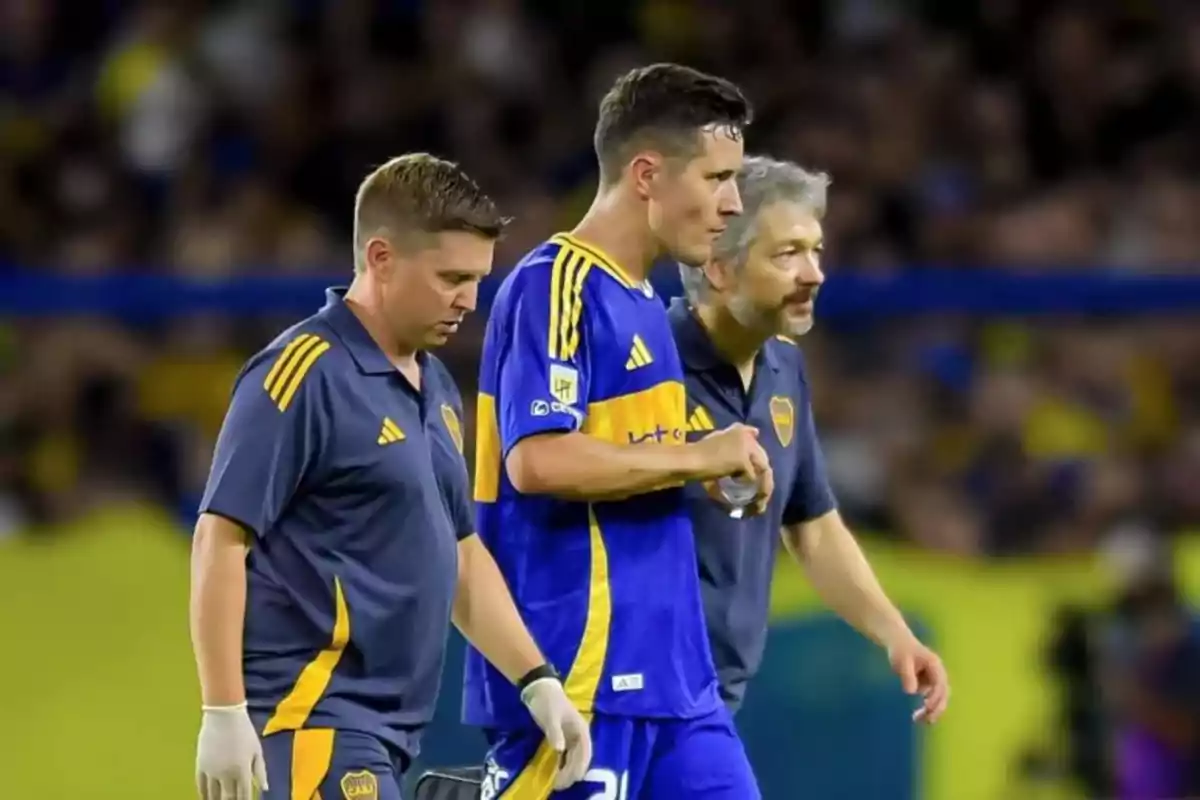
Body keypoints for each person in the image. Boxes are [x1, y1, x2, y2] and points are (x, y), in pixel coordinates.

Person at [190, 153, 591, 800]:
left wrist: (536, 680)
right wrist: (224, 712)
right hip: (309, 724)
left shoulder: (435, 387)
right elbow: (219, 539)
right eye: (451, 277)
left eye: (478, 279)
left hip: (386, 739)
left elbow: (459, 555)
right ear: (380, 258)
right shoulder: (303, 373)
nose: (469, 299)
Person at [466, 63, 770, 800]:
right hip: (579, 676)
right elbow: (536, 460)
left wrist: (703, 473)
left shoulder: (645, 304)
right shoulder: (554, 285)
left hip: (676, 684)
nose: (734, 205)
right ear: (646, 174)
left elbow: (636, 466)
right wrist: (697, 455)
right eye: (717, 178)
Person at [673, 155, 951, 720]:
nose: (814, 274)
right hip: (617, 693)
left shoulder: (784, 369)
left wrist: (895, 634)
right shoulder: (643, 365)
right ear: (718, 267)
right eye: (787, 254)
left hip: (713, 695)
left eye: (815, 250)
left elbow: (814, 527)